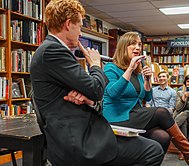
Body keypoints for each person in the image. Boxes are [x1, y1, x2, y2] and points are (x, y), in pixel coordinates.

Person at [30, 0, 165, 165]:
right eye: (79, 26)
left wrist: (89, 99)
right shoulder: (53, 51)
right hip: (79, 141)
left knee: (156, 141)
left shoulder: (51, 51)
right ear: (68, 24)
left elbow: (92, 95)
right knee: (153, 151)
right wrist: (94, 64)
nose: (80, 34)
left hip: (83, 131)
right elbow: (96, 90)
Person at [102, 31, 189, 166]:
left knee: (163, 137)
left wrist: (147, 80)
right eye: (133, 43)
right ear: (123, 46)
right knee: (162, 112)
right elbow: (113, 93)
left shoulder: (138, 71)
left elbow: (147, 97)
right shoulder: (111, 68)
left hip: (135, 114)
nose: (138, 47)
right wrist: (129, 69)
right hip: (118, 117)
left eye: (139, 44)